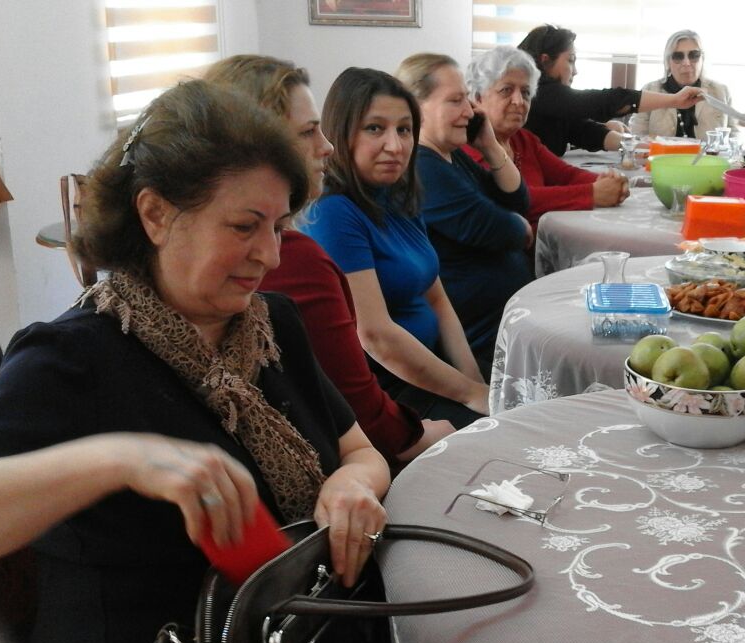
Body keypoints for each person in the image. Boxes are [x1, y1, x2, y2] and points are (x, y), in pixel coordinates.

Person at [0, 80, 390, 643]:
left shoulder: (271, 327)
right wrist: (120, 459)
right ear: (157, 214)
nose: (271, 254)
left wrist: (351, 486)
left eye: (279, 227)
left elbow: (360, 451)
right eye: (244, 226)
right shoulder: (75, 358)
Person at [205, 54, 455, 467]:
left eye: (405, 129)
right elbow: (363, 409)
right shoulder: (295, 255)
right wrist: (433, 426)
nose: (327, 146)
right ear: (254, 147)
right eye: (308, 132)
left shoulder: (399, 198)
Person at [300, 66, 491, 428]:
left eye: (404, 130)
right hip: (391, 390)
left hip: (434, 369)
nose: (395, 145)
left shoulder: (397, 195)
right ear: (341, 132)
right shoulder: (333, 212)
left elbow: (437, 299)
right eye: (375, 128)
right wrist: (470, 393)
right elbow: (376, 336)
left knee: (532, 398)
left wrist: (475, 381)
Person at [397, 53, 533, 375]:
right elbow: (502, 229)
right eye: (455, 100)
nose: (470, 112)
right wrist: (519, 227)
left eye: (467, 99)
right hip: (477, 342)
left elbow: (518, 201)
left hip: (500, 328)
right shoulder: (422, 168)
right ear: (417, 108)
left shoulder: (451, 156)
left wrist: (490, 146)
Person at [464, 45, 628, 228]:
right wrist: (592, 193)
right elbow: (511, 200)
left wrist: (608, 182)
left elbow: (567, 175)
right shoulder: (467, 147)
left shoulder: (524, 140)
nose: (519, 101)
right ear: (478, 98)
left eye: (526, 92)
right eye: (506, 90)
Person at [517, 24, 703, 156]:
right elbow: (605, 101)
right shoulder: (536, 93)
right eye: (570, 60)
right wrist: (674, 100)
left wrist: (640, 146)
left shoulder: (556, 107)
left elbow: (585, 132)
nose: (575, 71)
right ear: (545, 61)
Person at [628, 30, 732, 141]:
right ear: (668, 62)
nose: (687, 63)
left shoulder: (720, 92)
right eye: (678, 56)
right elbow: (636, 137)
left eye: (694, 55)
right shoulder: (650, 91)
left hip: (708, 153)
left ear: (703, 59)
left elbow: (734, 137)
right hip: (660, 153)